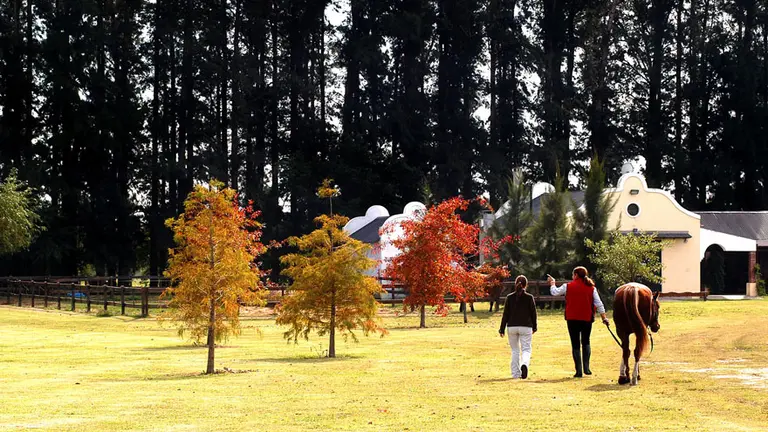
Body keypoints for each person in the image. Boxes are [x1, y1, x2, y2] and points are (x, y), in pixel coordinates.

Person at [548, 267, 609, 378]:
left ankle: (579, 371)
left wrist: (552, 283)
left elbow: (554, 292)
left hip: (572, 318)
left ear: (575, 275)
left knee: (575, 343)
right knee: (586, 341)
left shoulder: (568, 286)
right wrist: (604, 317)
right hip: (586, 318)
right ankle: (587, 367)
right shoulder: (592, 288)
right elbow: (599, 303)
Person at [498, 275, 537, 379]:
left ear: (515, 284)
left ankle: (515, 374)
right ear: (526, 285)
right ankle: (524, 364)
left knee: (515, 350)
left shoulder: (510, 297)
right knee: (526, 349)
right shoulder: (529, 297)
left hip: (512, 326)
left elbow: (505, 314)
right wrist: (534, 326)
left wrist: (502, 328)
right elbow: (533, 313)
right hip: (526, 326)